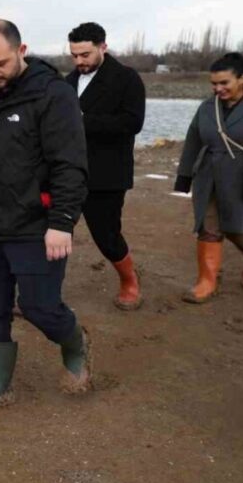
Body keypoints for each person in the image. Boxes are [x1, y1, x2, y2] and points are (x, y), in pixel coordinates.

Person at [0, 19, 92, 411]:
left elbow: (70, 166)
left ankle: (75, 344)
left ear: (21, 51)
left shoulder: (53, 97)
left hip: (36, 226)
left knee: (39, 307)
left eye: (0, 63)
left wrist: (62, 223)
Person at [64, 22, 146, 310]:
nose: (79, 61)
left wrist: (83, 121)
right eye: (74, 55)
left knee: (106, 234)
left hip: (107, 173)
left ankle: (129, 281)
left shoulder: (126, 78)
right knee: (53, 230)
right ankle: (42, 293)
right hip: (67, 172)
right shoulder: (68, 80)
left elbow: (133, 122)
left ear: (103, 47)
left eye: (85, 55)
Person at [174, 52, 243, 304]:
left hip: (240, 177)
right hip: (209, 176)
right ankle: (207, 281)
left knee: (238, 229)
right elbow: (193, 141)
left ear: (242, 79)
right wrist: (184, 176)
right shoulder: (207, 107)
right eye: (214, 83)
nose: (218, 88)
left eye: (224, 83)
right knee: (208, 227)